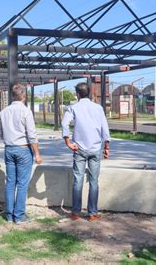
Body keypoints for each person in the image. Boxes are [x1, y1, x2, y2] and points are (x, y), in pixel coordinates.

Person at [61, 82, 110, 222]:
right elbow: (104, 128)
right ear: (89, 93)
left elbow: (64, 123)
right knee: (94, 181)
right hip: (95, 149)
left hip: (79, 149)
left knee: (78, 180)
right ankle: (93, 213)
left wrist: (68, 142)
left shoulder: (73, 108)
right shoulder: (98, 108)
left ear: (77, 94)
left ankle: (75, 212)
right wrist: (107, 147)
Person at [0, 83, 43, 224]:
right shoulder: (26, 111)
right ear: (23, 96)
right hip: (23, 149)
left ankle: (10, 215)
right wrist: (37, 154)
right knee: (22, 184)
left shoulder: (3, 112)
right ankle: (19, 216)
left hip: (9, 149)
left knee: (10, 182)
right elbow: (32, 135)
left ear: (13, 96)